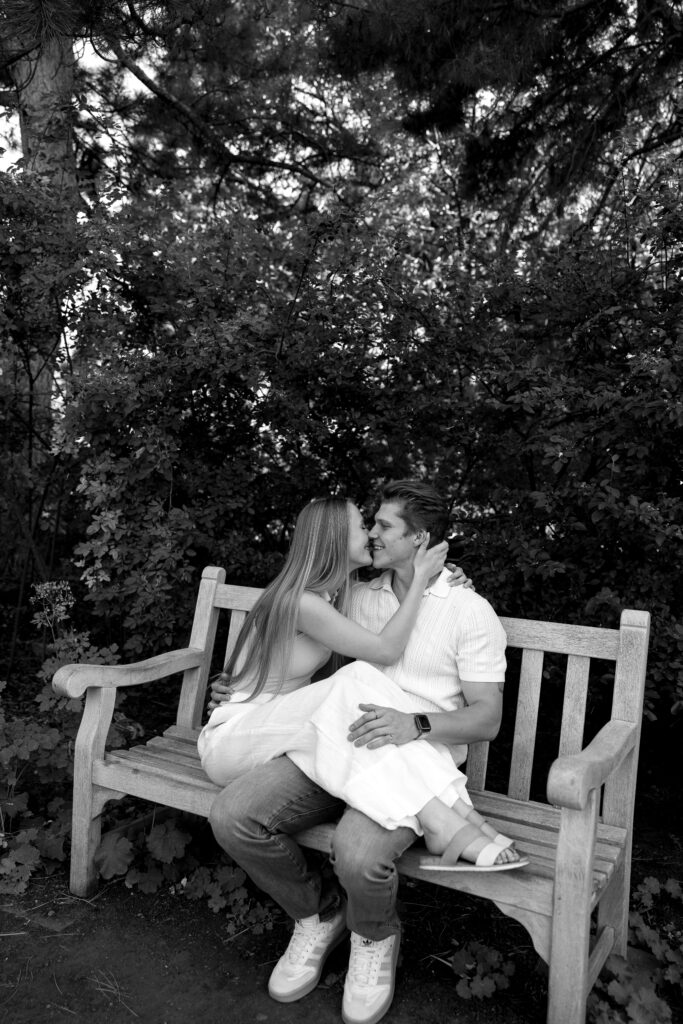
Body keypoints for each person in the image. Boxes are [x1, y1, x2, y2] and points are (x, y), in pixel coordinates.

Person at [207, 481, 520, 1024]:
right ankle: (320, 916)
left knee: (357, 853)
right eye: (367, 524)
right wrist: (238, 688)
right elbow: (297, 645)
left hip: (415, 755)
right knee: (234, 815)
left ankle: (373, 939)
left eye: (383, 526)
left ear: (419, 539)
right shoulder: (352, 595)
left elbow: (486, 719)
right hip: (335, 745)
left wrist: (415, 723)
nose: (372, 533)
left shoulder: (470, 611)